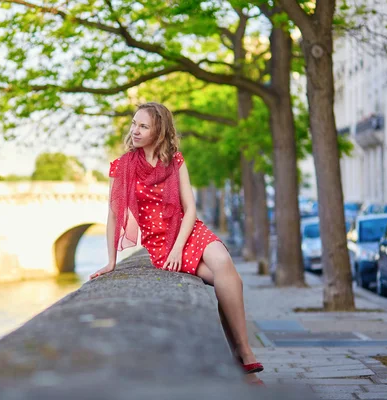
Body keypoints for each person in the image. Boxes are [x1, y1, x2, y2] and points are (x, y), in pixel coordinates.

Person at [90, 102, 264, 382]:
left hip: (187, 230)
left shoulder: (175, 160)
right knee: (228, 280)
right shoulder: (122, 167)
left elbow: (190, 208)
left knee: (224, 265)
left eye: (143, 126)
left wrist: (179, 247)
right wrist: (111, 261)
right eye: (134, 123)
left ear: (159, 131)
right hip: (160, 244)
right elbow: (113, 215)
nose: (135, 130)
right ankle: (244, 361)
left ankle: (244, 353)